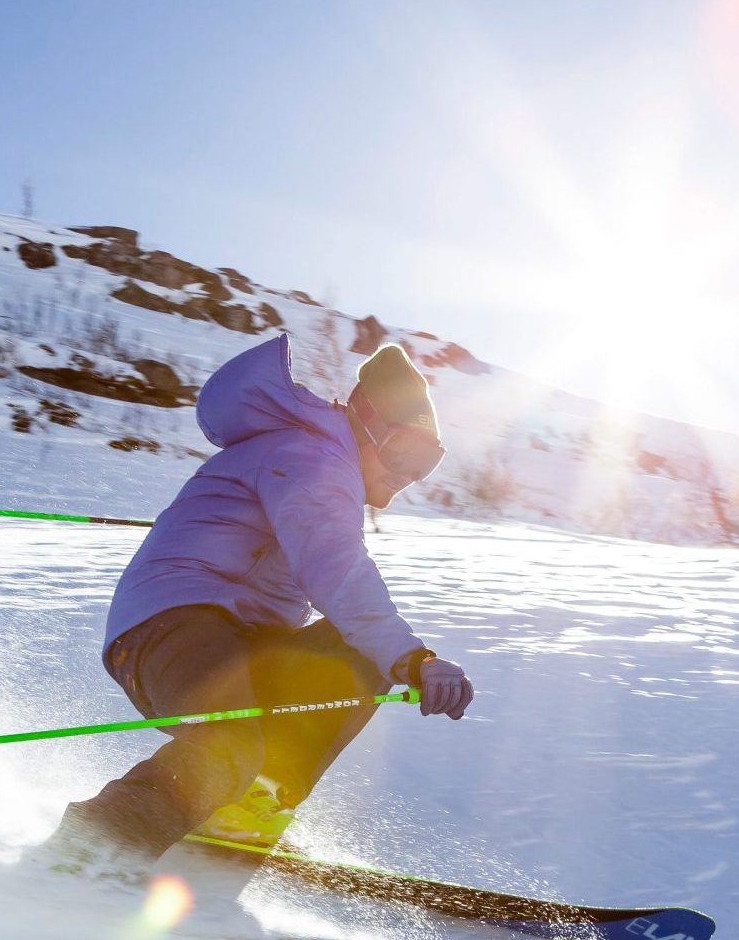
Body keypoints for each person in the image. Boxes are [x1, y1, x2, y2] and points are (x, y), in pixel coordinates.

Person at [39, 336, 473, 881]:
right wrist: (413, 658)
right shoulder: (313, 454)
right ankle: (88, 851)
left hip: (236, 639)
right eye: (406, 456)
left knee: (351, 656)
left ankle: (237, 821)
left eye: (426, 466)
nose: (406, 479)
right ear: (368, 426)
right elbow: (335, 567)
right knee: (234, 737)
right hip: (170, 628)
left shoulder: (314, 459)